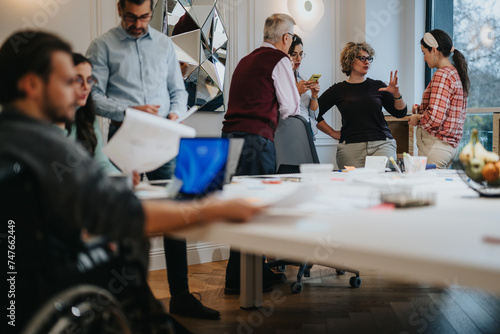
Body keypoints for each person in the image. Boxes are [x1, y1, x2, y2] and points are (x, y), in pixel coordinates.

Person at [0, 30, 262, 332]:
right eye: (67, 81)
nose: (76, 92)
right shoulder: (49, 147)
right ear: (32, 85)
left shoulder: (11, 139)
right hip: (61, 287)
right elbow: (126, 215)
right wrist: (210, 211)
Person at [86, 0, 218, 319]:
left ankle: (181, 296)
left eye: (144, 16)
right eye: (131, 17)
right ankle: (124, 298)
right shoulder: (102, 45)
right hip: (123, 134)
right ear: (120, 9)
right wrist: (128, 111)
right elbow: (93, 96)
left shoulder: (163, 44)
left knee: (173, 211)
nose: (138, 23)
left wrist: (175, 110)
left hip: (162, 136)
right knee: (120, 215)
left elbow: (177, 91)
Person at [221, 13, 300, 294]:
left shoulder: (244, 60)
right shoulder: (280, 60)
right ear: (286, 38)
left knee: (240, 208)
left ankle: (239, 276)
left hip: (229, 139)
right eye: (292, 38)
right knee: (255, 209)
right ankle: (251, 278)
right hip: (256, 140)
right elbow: (291, 107)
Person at [317, 42, 408, 168]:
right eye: (362, 58)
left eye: (369, 59)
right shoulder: (338, 90)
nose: (367, 62)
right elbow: (314, 113)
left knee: (382, 183)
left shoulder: (378, 86)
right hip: (350, 148)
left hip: (381, 144)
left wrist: (397, 94)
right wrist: (332, 133)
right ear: (350, 61)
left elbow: (400, 113)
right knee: (353, 185)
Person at [408, 29, 469, 169]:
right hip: (449, 148)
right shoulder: (455, 73)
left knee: (426, 189)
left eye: (424, 53)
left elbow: (435, 118)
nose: (424, 58)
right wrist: (421, 111)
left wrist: (417, 118)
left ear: (434, 50)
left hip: (436, 146)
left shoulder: (442, 75)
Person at [288, 34, 320, 139]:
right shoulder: (279, 79)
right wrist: (296, 91)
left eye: (301, 54)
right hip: (289, 132)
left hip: (307, 131)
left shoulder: (303, 78)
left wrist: (314, 95)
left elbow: (312, 114)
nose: (298, 59)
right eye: (294, 54)